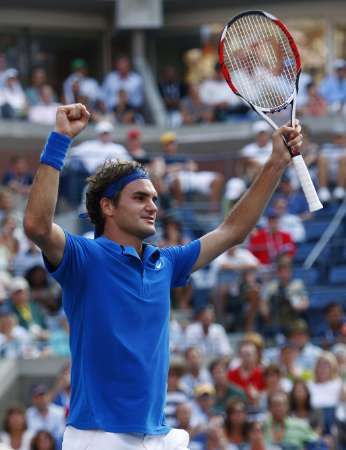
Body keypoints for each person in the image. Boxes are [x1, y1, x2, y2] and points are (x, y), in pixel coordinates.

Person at [23, 102, 302, 450]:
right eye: (139, 198)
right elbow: (36, 225)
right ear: (107, 207)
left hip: (155, 435)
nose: (153, 206)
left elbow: (233, 230)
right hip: (98, 436)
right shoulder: (85, 257)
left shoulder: (166, 262)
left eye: (154, 198)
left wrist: (276, 163)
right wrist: (60, 139)